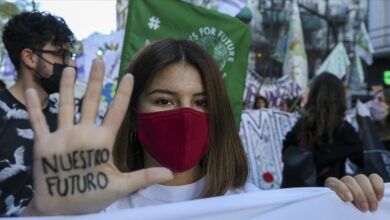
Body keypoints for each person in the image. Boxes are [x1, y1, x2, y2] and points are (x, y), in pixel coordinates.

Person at [24, 40, 383, 216]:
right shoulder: (98, 206)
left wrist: (345, 206)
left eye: (201, 103)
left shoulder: (253, 205)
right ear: (134, 113)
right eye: (164, 100)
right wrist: (44, 212)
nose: (185, 115)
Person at [0, 11, 76, 216]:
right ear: (30, 57)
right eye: (61, 54)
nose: (70, 64)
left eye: (70, 55)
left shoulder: (66, 118)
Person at [282, 73, 365, 187]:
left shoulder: (301, 124)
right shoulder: (344, 129)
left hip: (297, 194)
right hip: (330, 194)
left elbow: (286, 152)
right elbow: (363, 159)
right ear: (339, 97)